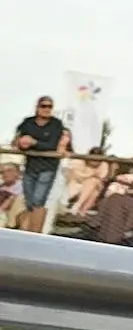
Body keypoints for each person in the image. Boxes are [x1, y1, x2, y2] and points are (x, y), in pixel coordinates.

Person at [13, 96, 67, 231]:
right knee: (29, 201)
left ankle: (35, 233)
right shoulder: (28, 122)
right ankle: (25, 230)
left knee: (38, 201)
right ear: (37, 107)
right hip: (30, 166)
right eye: (44, 106)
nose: (47, 109)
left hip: (48, 167)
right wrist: (21, 142)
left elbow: (53, 145)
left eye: (50, 106)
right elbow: (18, 138)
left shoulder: (56, 124)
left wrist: (33, 142)